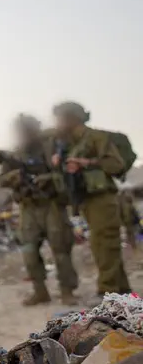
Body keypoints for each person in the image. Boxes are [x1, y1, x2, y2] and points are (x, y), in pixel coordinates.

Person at [0, 114, 78, 305]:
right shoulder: (15, 155)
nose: (24, 133)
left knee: (61, 249)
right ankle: (40, 291)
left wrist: (48, 179)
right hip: (28, 207)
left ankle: (67, 291)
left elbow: (68, 172)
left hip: (52, 205)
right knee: (29, 251)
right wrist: (17, 176)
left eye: (27, 129)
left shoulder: (52, 148)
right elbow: (2, 179)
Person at [51, 101, 131, 298]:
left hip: (103, 199)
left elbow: (116, 165)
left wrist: (85, 162)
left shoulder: (96, 137)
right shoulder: (70, 144)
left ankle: (108, 292)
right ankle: (121, 290)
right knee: (102, 245)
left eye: (60, 119)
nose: (58, 123)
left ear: (72, 118)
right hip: (87, 199)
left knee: (105, 244)